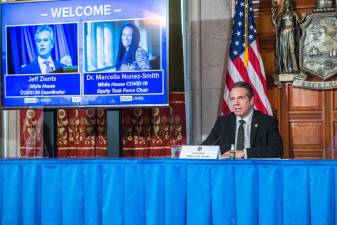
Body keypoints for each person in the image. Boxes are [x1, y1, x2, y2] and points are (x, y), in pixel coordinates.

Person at [202, 81, 283, 158]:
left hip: (254, 169)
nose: (236, 103)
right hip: (228, 168)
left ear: (251, 101)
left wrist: (244, 153)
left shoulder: (266, 122)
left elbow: (277, 149)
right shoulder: (223, 122)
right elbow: (206, 147)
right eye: (232, 99)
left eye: (240, 98)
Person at [272, 0, 300, 74]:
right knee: (284, 51)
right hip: (283, 34)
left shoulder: (294, 13)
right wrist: (273, 13)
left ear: (291, 4)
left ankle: (294, 68)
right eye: (286, 3)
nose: (287, 5)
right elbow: (277, 24)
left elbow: (300, 23)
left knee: (292, 50)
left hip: (291, 33)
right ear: (284, 5)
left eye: (288, 3)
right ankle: (285, 68)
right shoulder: (281, 14)